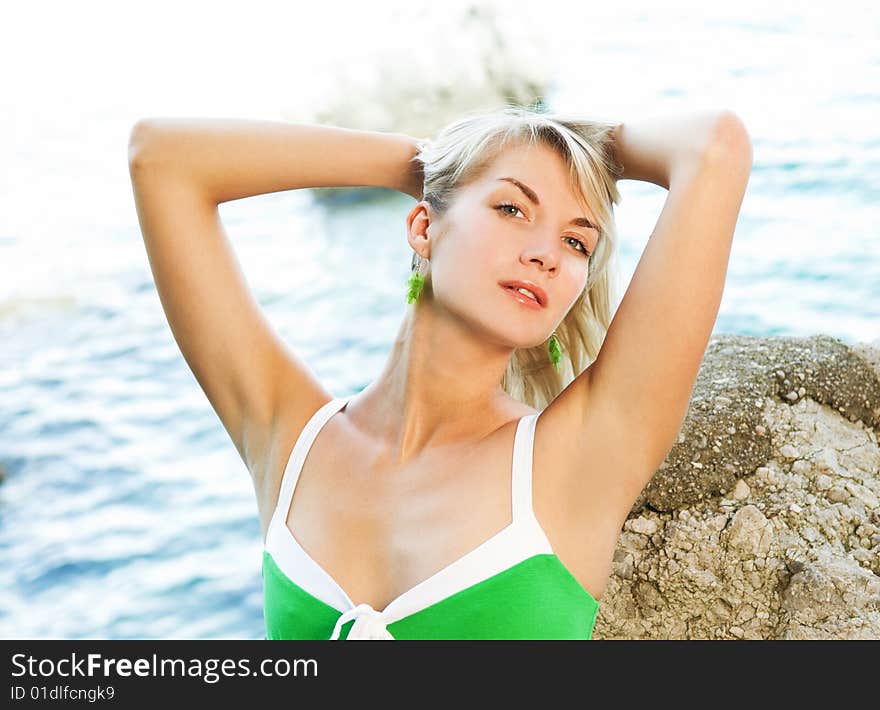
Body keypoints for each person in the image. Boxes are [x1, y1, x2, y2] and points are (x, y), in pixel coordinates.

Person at [127, 104, 752, 639]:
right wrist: (424, 162)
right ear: (424, 225)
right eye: (512, 207)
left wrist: (573, 138)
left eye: (577, 242)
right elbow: (161, 158)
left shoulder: (577, 459)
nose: (544, 253)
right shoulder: (289, 438)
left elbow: (714, 148)